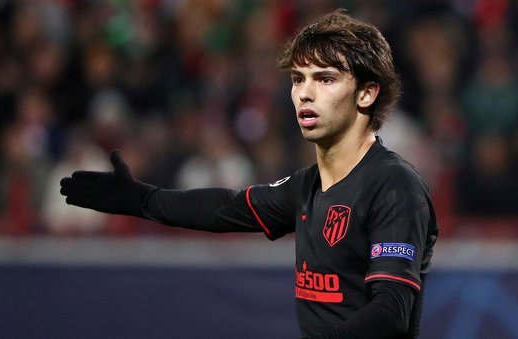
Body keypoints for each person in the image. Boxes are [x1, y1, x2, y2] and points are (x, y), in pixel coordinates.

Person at [60, 9, 438, 338]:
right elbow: (227, 207)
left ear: (367, 94)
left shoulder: (394, 186)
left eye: (325, 79)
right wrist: (144, 200)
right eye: (298, 79)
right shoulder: (308, 186)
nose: (305, 93)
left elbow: (391, 312)